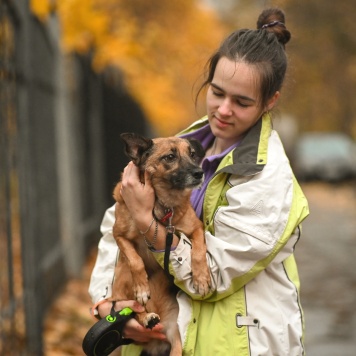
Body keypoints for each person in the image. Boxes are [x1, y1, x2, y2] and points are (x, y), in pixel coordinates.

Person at [88, 7, 309, 356]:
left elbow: (210, 279)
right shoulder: (182, 146)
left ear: (270, 102)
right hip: (159, 336)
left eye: (241, 102)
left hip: (235, 345)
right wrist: (108, 304)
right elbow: (114, 226)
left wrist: (148, 222)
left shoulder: (268, 181)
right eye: (217, 92)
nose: (223, 109)